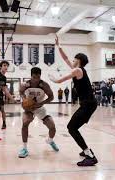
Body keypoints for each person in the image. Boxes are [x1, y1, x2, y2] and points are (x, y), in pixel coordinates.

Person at [48, 36, 98, 166]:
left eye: (74, 59)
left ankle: (90, 155)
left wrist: (53, 79)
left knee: (71, 128)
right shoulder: (78, 70)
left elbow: (60, 80)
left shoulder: (77, 70)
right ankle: (86, 150)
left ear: (79, 60)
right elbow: (65, 58)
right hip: (88, 104)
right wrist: (59, 46)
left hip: (88, 104)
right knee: (74, 127)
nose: (72, 60)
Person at [18, 67, 59, 158]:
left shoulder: (44, 85)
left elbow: (51, 97)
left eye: (38, 77)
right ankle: (24, 148)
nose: (36, 79)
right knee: (25, 123)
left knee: (52, 127)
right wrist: (24, 99)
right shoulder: (25, 84)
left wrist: (41, 103)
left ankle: (50, 140)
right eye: (34, 77)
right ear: (31, 76)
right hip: (28, 108)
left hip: (40, 108)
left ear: (40, 76)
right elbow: (21, 92)